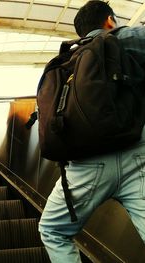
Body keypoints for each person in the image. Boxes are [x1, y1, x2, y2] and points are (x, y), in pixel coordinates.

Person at [38, 1, 145, 262]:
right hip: (138, 154)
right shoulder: (129, 38)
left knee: (52, 230)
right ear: (109, 20)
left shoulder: (71, 60)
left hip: (86, 164)